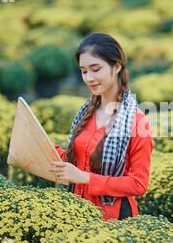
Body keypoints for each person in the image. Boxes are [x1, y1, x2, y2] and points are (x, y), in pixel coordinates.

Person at [50, 33, 153, 221]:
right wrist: (47, 148)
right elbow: (78, 163)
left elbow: (138, 184)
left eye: (95, 69)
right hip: (75, 210)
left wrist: (86, 178)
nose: (89, 78)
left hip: (111, 219)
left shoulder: (136, 121)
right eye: (83, 71)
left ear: (117, 67)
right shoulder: (85, 113)